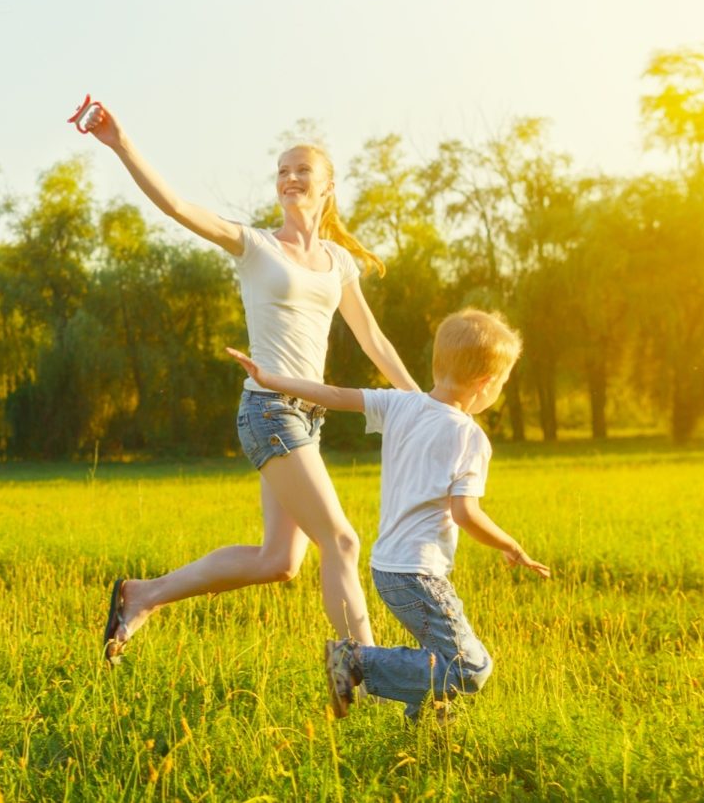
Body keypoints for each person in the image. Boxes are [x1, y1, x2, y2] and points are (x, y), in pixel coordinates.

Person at [78, 103, 421, 663]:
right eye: (282, 170)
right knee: (342, 541)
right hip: (269, 411)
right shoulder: (256, 246)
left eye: (302, 170)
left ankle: (144, 593)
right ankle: (368, 667)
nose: (289, 178)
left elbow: (373, 341)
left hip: (307, 415)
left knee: (278, 562)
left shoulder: (338, 262)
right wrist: (121, 143)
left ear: (328, 186)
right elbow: (178, 206)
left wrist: (423, 402)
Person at [226, 308, 549, 720]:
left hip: (386, 571)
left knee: (436, 659)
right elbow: (465, 513)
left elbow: (334, 394)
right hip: (420, 574)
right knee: (469, 668)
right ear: (486, 385)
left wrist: (270, 381)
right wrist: (511, 545)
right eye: (502, 382)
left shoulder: (400, 405)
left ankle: (429, 729)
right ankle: (356, 662)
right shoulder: (469, 436)